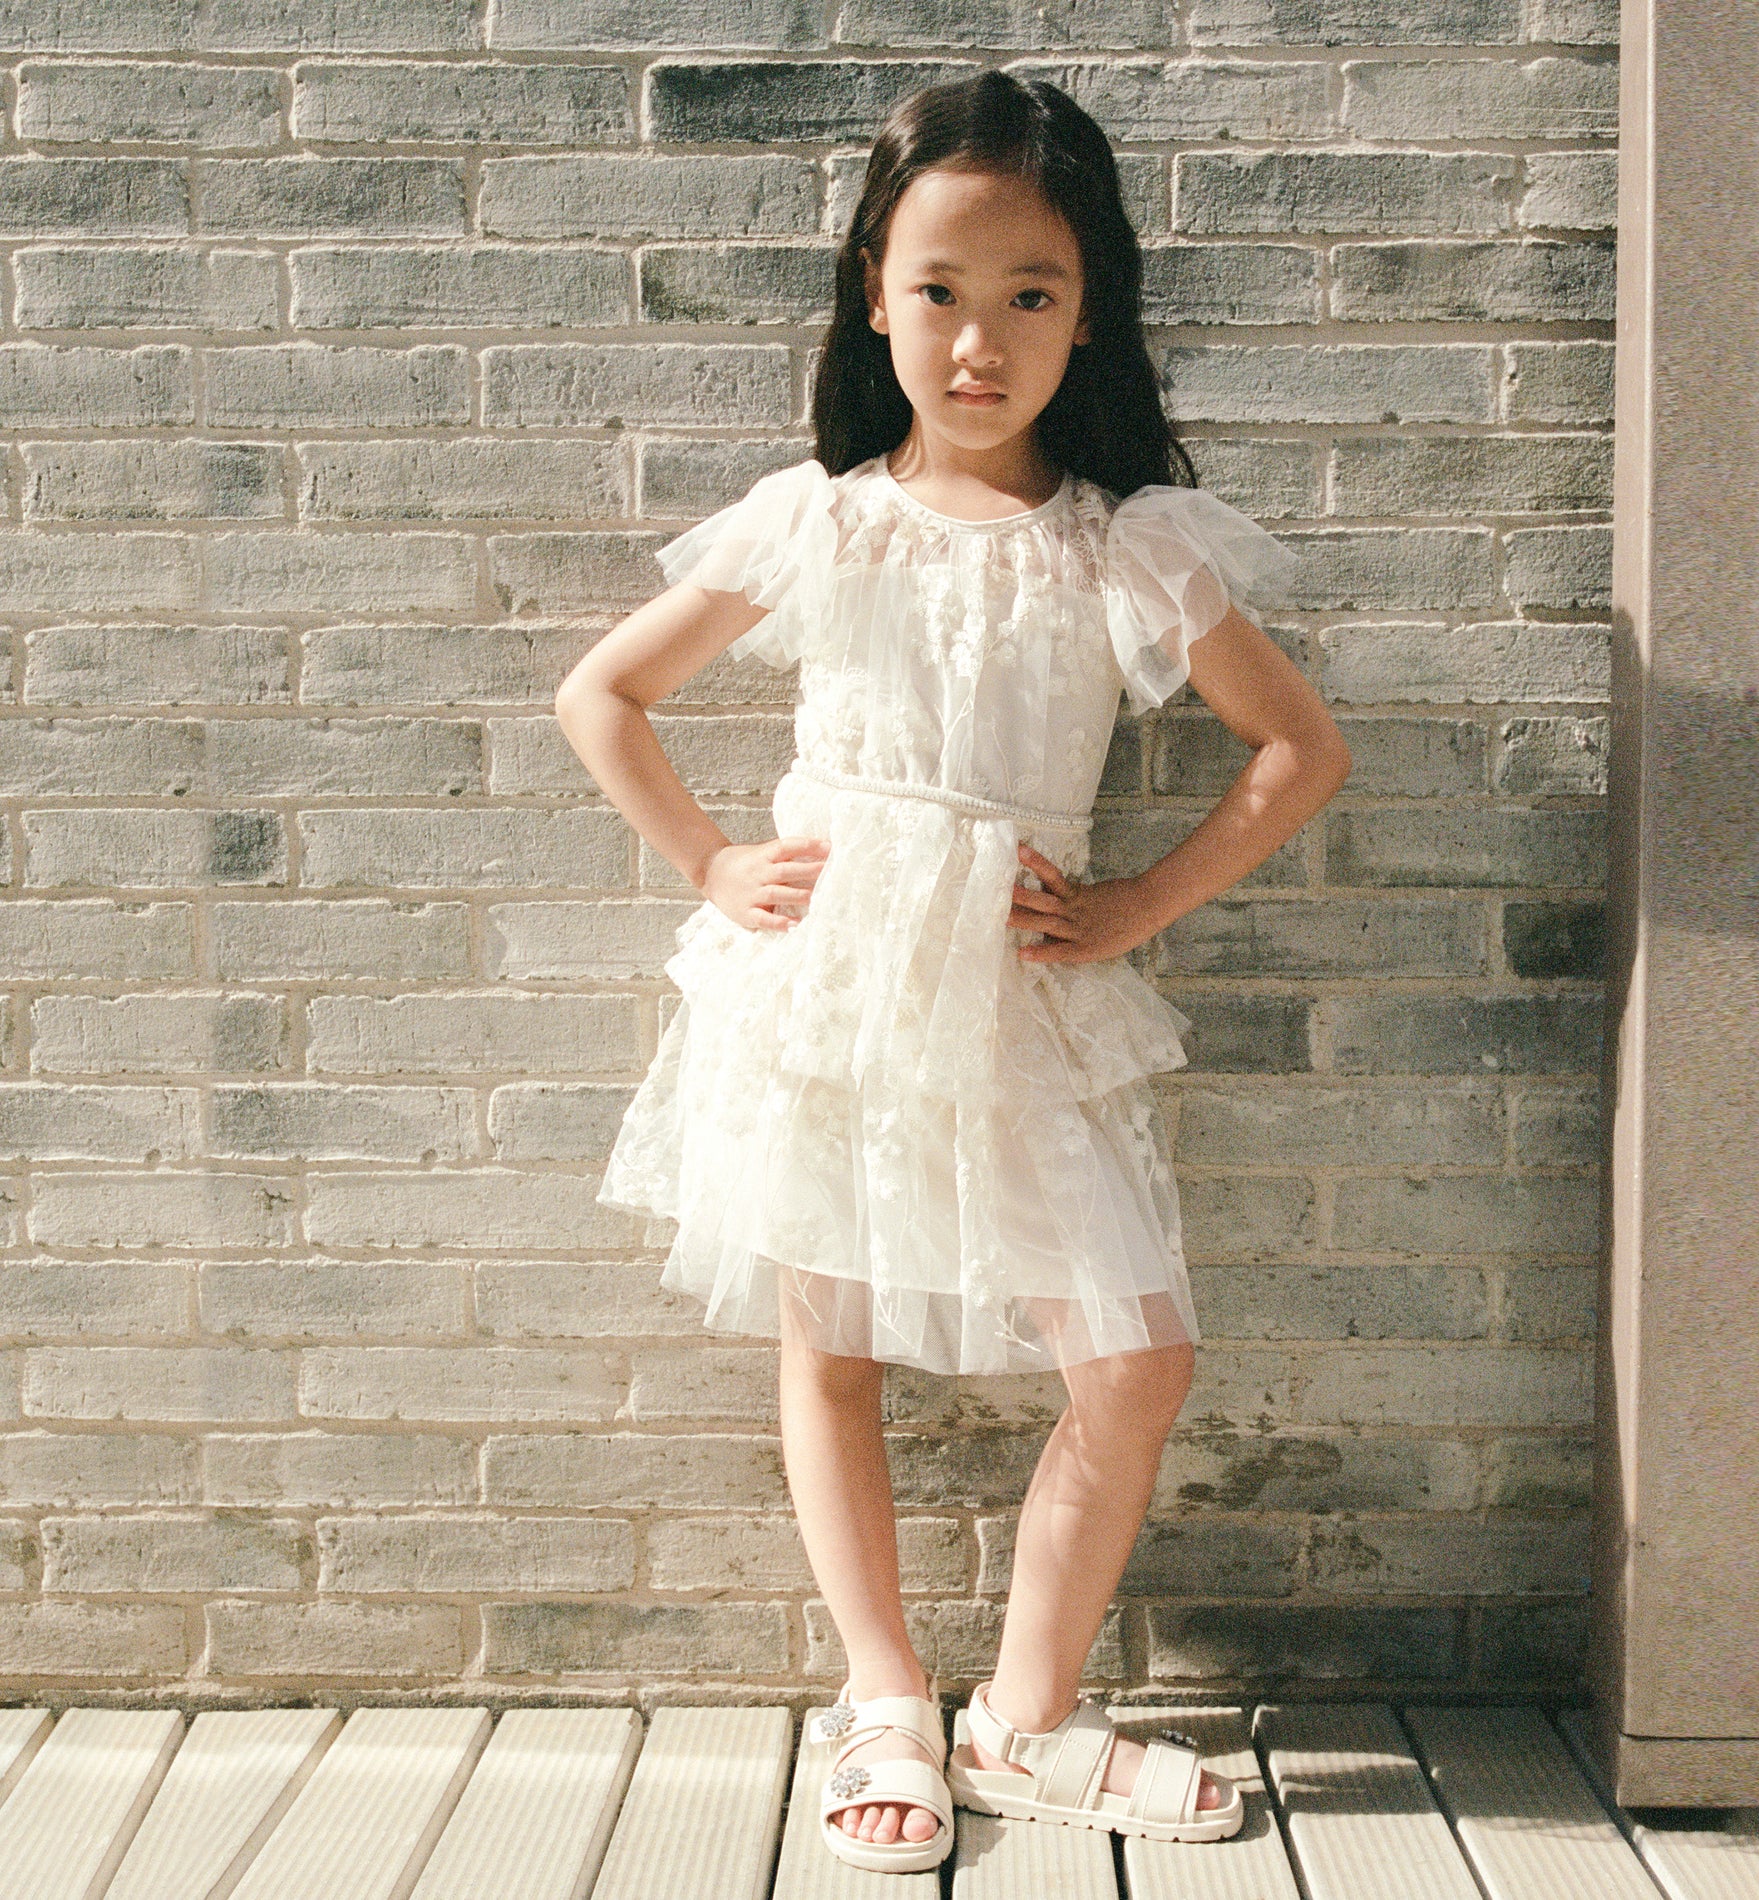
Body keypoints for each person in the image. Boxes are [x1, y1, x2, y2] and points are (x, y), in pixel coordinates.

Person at [555, 70, 1354, 1876]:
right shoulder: (819, 519)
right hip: (832, 984)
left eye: (1031, 294)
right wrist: (709, 858)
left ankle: (1027, 1718)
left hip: (1016, 990)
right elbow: (602, 696)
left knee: (1135, 1359)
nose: (979, 338)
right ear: (872, 293)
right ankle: (885, 1697)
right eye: (939, 289)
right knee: (827, 1339)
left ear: (1091, 311)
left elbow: (1297, 751)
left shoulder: (1122, 542)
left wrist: (1139, 906)